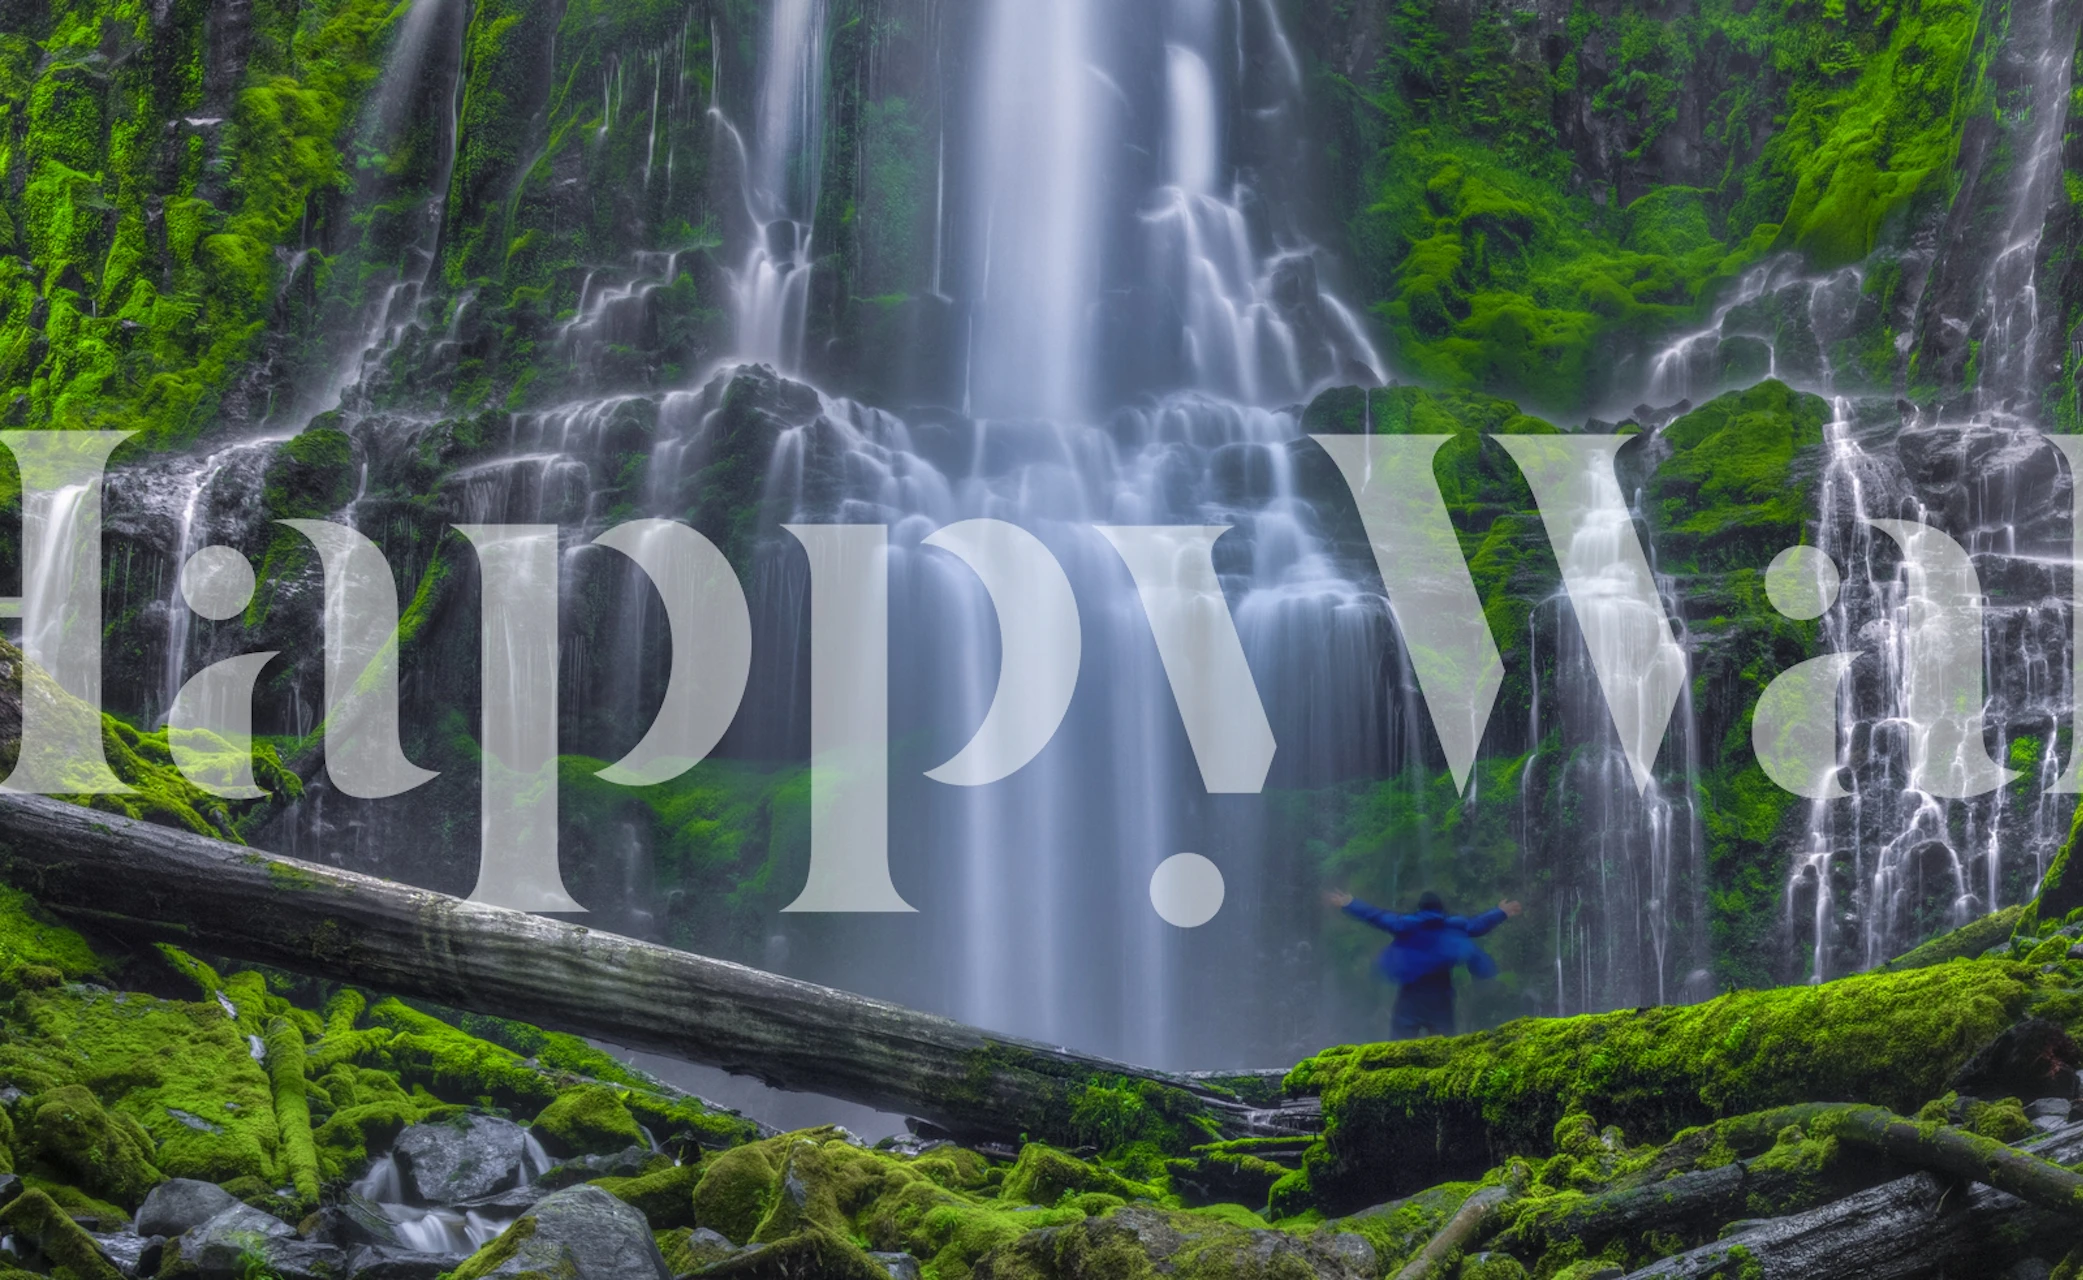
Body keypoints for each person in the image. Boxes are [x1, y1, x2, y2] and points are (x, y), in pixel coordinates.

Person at [1324, 889, 1522, 1039]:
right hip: (1441, 995)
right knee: (1445, 1047)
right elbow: (1478, 925)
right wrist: (1501, 912)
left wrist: (1349, 903)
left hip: (1411, 994)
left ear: (1420, 908)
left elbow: (1376, 916)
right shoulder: (1454, 926)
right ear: (1441, 909)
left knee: (1400, 1048)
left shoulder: (1406, 924)